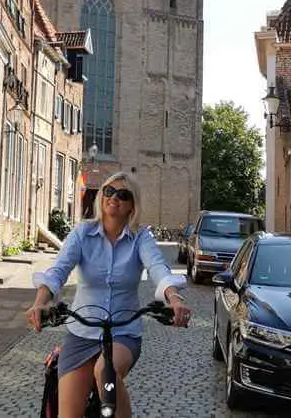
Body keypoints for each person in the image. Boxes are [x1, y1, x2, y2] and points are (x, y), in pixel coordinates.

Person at [26, 171, 191, 418]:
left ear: (131, 206)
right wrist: (40, 303)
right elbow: (58, 270)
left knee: (107, 371)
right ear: (101, 196)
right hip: (81, 333)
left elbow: (159, 269)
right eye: (109, 191)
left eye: (123, 195)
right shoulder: (82, 233)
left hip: (123, 334)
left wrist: (175, 300)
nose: (114, 198)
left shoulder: (140, 238)